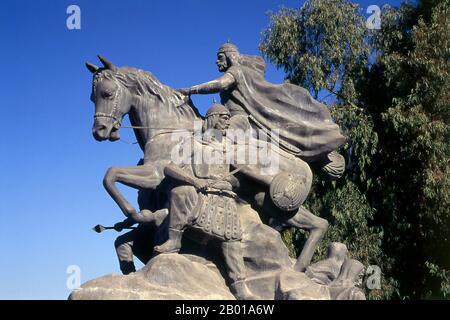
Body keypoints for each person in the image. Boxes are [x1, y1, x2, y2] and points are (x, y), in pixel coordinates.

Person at [177, 42, 346, 179]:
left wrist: (190, 90)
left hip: (239, 120)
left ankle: (221, 176)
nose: (216, 61)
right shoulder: (240, 72)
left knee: (212, 139)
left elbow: (220, 84)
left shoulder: (235, 71)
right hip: (229, 118)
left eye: (220, 57)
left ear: (229, 57)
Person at [153, 103, 256, 300]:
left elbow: (237, 176)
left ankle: (240, 286)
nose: (227, 123)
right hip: (201, 192)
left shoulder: (227, 146)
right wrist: (194, 180)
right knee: (180, 192)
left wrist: (232, 179)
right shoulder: (193, 143)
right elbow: (170, 168)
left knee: (232, 241)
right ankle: (173, 241)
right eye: (225, 118)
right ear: (214, 118)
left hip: (224, 196)